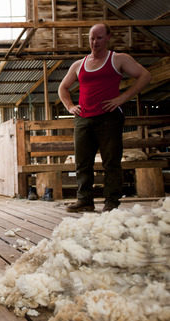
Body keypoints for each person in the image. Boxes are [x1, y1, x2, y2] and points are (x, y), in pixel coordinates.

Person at [58, 23, 151, 213]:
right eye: (92, 38)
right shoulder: (79, 64)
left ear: (108, 38)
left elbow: (145, 75)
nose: (94, 42)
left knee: (111, 162)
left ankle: (111, 201)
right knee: (82, 162)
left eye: (99, 38)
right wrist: (70, 106)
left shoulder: (118, 59)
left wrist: (123, 98)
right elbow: (63, 87)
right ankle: (85, 200)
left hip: (109, 117)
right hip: (83, 118)